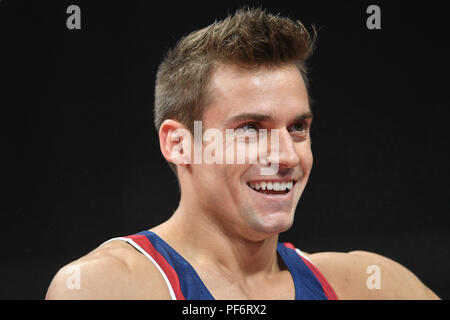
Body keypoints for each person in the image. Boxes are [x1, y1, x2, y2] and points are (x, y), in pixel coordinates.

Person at [46, 8, 439, 300]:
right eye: (251, 129)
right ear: (179, 144)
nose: (286, 157)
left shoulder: (374, 285)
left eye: (297, 127)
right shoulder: (108, 288)